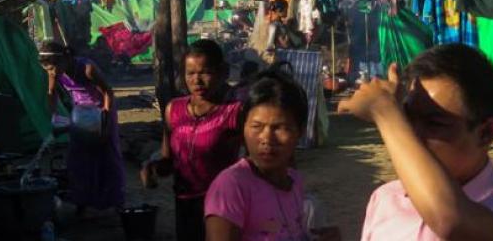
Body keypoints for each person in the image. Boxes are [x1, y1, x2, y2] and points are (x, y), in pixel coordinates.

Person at [338, 44, 493, 240]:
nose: (411, 135)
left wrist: (385, 113)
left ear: (486, 133)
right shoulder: (385, 199)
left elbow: (452, 224)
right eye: (406, 119)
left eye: (434, 123)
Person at [205, 70, 340, 240]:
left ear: (300, 132)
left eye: (280, 127)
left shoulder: (293, 181)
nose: (267, 138)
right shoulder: (231, 187)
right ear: (243, 127)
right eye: (257, 126)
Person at [142, 39, 244, 241]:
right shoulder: (175, 110)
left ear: (223, 72)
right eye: (190, 73)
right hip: (185, 205)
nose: (197, 80)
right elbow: (168, 161)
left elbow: (253, 163)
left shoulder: (234, 112)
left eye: (205, 72)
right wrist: (152, 169)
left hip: (222, 206)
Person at [38, 41, 125, 213]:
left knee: (107, 155)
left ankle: (116, 201)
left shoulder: (87, 68)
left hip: (101, 109)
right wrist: (54, 114)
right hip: (80, 113)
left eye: (55, 67)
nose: (53, 72)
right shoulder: (53, 71)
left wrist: (105, 117)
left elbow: (108, 91)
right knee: (78, 156)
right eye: (48, 69)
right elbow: (52, 92)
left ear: (66, 58)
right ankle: (82, 200)